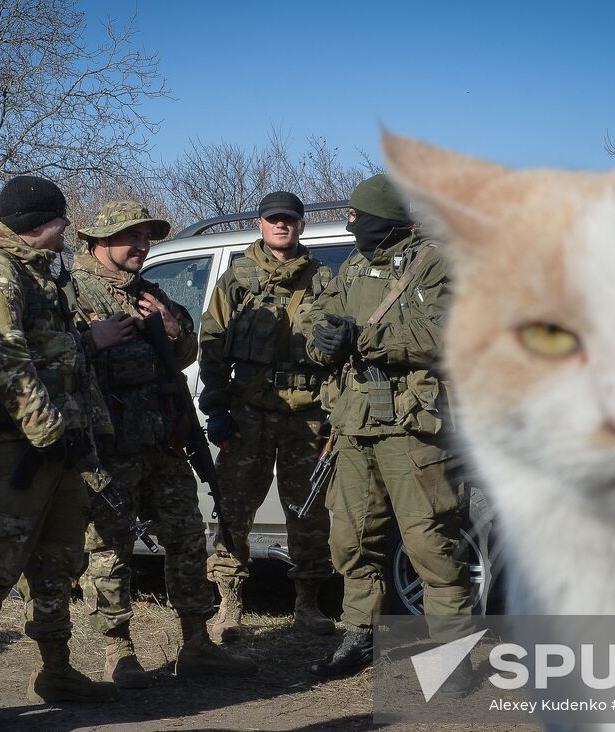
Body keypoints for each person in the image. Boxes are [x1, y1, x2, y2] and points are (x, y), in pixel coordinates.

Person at [0, 175, 117, 732]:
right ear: (39, 222)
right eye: (62, 219)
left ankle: (56, 670)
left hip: (59, 447)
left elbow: (52, 351)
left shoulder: (42, 273)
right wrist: (47, 431)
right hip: (17, 449)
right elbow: (3, 359)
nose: (68, 228)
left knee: (58, 565)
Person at [72, 201, 257, 687]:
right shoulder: (71, 294)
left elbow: (184, 348)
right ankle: (117, 651)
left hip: (163, 443)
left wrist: (173, 330)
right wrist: (93, 341)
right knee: (110, 550)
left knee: (186, 540)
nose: (141, 245)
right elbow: (53, 360)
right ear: (97, 243)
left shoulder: (150, 293)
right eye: (130, 236)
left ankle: (196, 643)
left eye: (146, 237)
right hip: (109, 449)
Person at [304, 174, 472, 679]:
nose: (351, 223)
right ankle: (358, 637)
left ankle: (452, 655)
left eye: (357, 216)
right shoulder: (354, 265)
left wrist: (366, 338)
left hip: (412, 426)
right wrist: (323, 341)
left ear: (385, 218)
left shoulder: (438, 262)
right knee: (352, 541)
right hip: (355, 424)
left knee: (430, 543)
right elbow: (321, 316)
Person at [196, 191, 336, 641]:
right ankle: (229, 606)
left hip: (306, 415)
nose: (282, 226)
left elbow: (340, 352)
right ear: (260, 224)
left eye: (289, 220)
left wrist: (334, 410)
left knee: (308, 511)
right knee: (234, 508)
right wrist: (216, 407)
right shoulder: (236, 279)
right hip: (249, 412)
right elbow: (212, 344)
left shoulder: (323, 279)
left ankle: (309, 607)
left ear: (300, 225)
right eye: (274, 219)